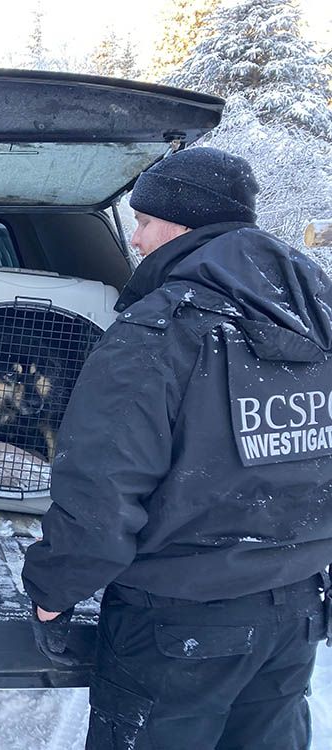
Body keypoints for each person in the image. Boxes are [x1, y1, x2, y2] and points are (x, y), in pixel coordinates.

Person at [22, 147, 332, 749]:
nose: (135, 240)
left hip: (178, 622)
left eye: (142, 222)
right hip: (295, 612)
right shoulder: (318, 322)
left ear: (181, 223)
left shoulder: (161, 329)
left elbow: (102, 488)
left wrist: (53, 594)